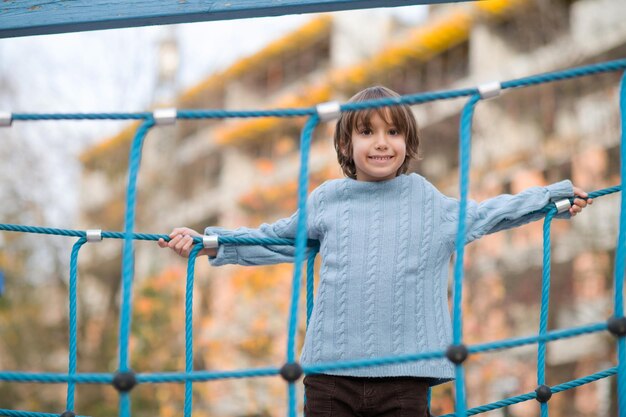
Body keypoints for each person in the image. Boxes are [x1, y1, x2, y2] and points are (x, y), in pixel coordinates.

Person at [158, 86, 592, 417]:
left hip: (405, 377)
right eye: (367, 132)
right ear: (347, 145)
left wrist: (549, 198)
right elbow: (277, 239)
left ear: (407, 142)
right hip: (330, 378)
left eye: (393, 132)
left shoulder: (427, 200)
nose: (381, 142)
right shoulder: (329, 198)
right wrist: (210, 242)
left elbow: (488, 213)